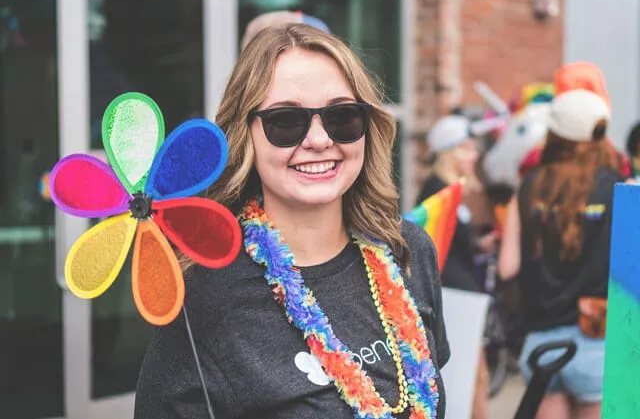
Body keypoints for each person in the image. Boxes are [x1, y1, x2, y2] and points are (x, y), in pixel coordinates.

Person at [134, 23, 449, 419]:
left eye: (343, 116)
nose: (319, 140)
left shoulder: (408, 249)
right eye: (286, 121)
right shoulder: (205, 291)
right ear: (244, 135)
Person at [499, 62, 624, 419]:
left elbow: (508, 267)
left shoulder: (529, 185)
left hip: (541, 345)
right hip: (597, 343)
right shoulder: (618, 188)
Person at [415, 115, 494, 419]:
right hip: (452, 298)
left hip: (460, 294)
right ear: (449, 152)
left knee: (476, 376)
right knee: (470, 379)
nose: (474, 155)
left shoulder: (451, 191)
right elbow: (432, 251)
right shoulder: (438, 192)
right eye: (465, 148)